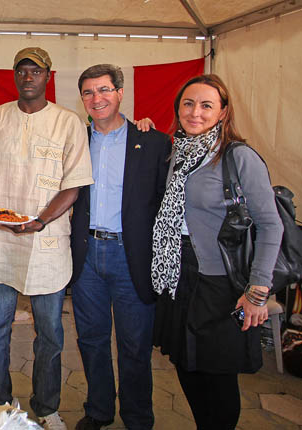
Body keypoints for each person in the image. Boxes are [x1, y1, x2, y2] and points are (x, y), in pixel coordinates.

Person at [151, 74, 283, 429]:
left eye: (207, 105)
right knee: (186, 364)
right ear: (178, 109)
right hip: (178, 276)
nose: (196, 112)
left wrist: (257, 292)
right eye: (188, 104)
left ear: (223, 112)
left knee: (217, 376)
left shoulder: (238, 157)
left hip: (220, 282)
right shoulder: (176, 152)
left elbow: (272, 225)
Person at [0, 47, 93, 430]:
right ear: (14, 76)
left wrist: (40, 221)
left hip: (46, 243)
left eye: (36, 71)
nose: (28, 77)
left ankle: (46, 406)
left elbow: (73, 186)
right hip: (1, 240)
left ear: (48, 75)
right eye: (21, 71)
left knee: (50, 334)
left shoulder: (68, 121)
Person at [69, 64, 171, 430]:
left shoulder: (154, 142)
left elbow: (164, 202)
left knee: (134, 345)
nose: (97, 99)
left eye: (104, 90)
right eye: (89, 92)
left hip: (133, 257)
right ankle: (98, 410)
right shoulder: (75, 140)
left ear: (120, 93)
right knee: (92, 340)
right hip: (87, 256)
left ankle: (138, 417)